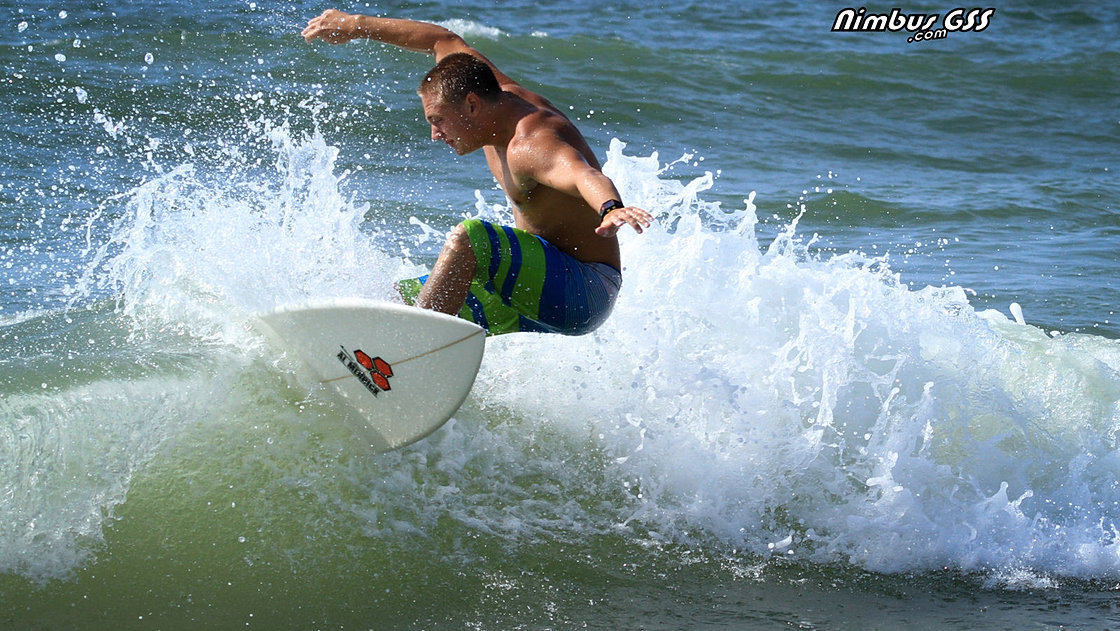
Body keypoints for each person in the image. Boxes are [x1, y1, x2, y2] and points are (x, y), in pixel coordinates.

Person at [302, 10, 652, 335]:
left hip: (581, 292)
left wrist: (610, 207)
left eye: (438, 121)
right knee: (400, 302)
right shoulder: (486, 90)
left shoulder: (531, 143)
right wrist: (355, 24)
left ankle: (412, 351)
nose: (435, 134)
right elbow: (442, 40)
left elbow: (580, 173)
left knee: (471, 238)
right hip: (533, 282)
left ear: (472, 105)